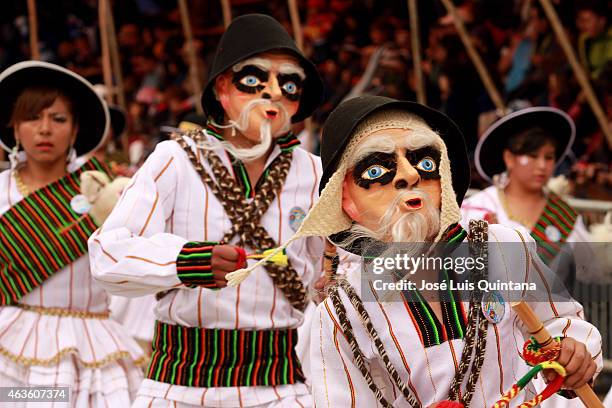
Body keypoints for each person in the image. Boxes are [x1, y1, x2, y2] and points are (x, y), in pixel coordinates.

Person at [234, 95, 601, 407]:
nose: (409, 175)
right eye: (378, 168)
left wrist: (575, 350)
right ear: (347, 200)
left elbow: (564, 322)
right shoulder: (341, 314)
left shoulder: (502, 245)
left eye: (424, 162)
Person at [88, 14, 325, 407]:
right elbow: (107, 254)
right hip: (175, 386)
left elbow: (346, 276)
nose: (273, 93)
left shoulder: (316, 173)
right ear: (222, 88)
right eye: (254, 79)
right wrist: (186, 262)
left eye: (288, 83)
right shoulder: (174, 159)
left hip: (280, 387)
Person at [0, 61, 145, 405]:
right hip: (14, 343)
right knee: (29, 400)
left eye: (59, 119)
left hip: (92, 345)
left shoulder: (107, 191)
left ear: (76, 129)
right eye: (32, 118)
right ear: (15, 128)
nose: (45, 129)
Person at [461, 107, 599, 286]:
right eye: (532, 156)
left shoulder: (565, 217)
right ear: (509, 158)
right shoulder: (478, 208)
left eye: (549, 157)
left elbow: (591, 278)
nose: (542, 165)